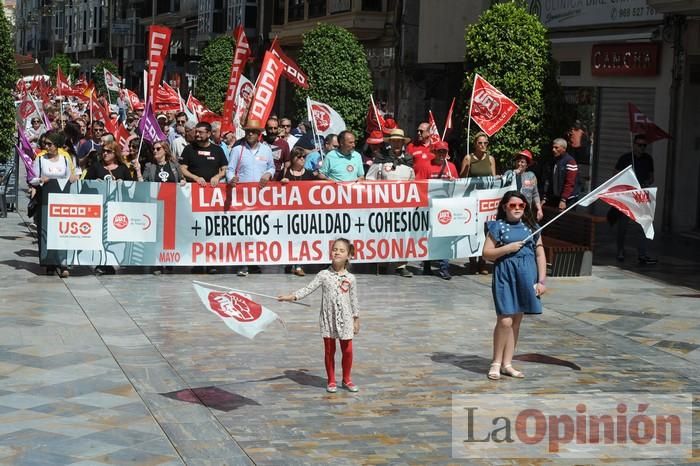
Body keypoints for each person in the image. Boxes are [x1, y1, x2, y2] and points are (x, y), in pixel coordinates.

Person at [278, 238, 360, 393]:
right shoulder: (323, 275)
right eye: (335, 249)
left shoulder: (351, 278)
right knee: (329, 350)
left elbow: (353, 299)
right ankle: (331, 380)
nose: (337, 252)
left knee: (347, 350)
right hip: (328, 319)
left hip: (346, 319)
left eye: (341, 250)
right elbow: (307, 289)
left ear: (348, 255)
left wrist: (356, 319)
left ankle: (347, 379)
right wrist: (291, 297)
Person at [482, 191, 547, 380]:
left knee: (517, 321)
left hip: (527, 278)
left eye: (521, 205)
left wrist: (542, 281)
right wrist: (506, 249)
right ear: (504, 207)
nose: (517, 208)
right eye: (512, 205)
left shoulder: (532, 227)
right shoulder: (497, 227)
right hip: (505, 276)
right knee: (505, 320)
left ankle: (507, 363)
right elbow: (486, 253)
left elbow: (540, 255)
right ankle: (495, 362)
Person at [227, 119, 275, 277]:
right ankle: (242, 263)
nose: (250, 134)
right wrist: (231, 178)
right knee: (243, 231)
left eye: (253, 132)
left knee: (257, 230)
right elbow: (230, 169)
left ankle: (254, 262)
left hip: (260, 197)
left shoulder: (266, 150)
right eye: (248, 131)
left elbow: (271, 167)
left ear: (259, 134)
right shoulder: (237, 150)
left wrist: (268, 174)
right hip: (243, 197)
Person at [29, 131, 79, 278]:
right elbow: (32, 178)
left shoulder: (65, 158)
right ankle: (49, 262)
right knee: (47, 232)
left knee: (62, 231)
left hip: (62, 201)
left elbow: (73, 173)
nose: (46, 146)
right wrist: (40, 180)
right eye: (45, 143)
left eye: (49, 144)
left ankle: (63, 262)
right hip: (45, 201)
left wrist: (73, 177)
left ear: (57, 145)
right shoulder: (40, 159)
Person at [614, 134, 657, 265]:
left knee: (644, 225)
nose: (642, 148)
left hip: (641, 196)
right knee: (623, 226)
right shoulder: (625, 158)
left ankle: (642, 254)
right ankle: (620, 250)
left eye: (644, 145)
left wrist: (647, 183)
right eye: (640, 145)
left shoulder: (648, 159)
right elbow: (615, 175)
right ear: (634, 145)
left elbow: (651, 176)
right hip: (627, 197)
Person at [419, 141, 457, 280]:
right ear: (434, 152)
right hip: (430, 207)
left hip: (445, 207)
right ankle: (427, 265)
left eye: (444, 152)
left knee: (444, 237)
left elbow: (457, 188)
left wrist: (453, 181)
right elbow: (419, 185)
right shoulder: (426, 166)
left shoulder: (451, 167)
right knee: (429, 236)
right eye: (439, 151)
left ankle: (444, 267)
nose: (442, 155)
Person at [277, 147, 317, 277]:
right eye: (298, 157)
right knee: (290, 239)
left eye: (303, 157)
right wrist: (281, 183)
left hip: (305, 212)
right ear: (293, 159)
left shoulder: (309, 174)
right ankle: (290, 263)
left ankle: (299, 265)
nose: (302, 160)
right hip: (288, 213)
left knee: (302, 239)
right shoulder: (285, 173)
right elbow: (274, 190)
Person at [462, 132, 497, 274]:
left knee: (486, 230)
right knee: (472, 230)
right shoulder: (468, 158)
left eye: (486, 143)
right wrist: (466, 168)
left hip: (486, 200)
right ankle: (472, 261)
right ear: (475, 144)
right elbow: (462, 179)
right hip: (472, 199)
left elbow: (494, 178)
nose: (483, 146)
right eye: (480, 143)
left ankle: (483, 261)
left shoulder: (491, 159)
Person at [180, 122, 229, 187]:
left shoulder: (218, 150)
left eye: (200, 132)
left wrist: (217, 177)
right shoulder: (188, 149)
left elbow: (225, 169)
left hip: (212, 188)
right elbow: (182, 168)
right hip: (193, 188)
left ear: (208, 134)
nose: (197, 134)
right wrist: (195, 178)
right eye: (196, 132)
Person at [502, 150, 544, 221]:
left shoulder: (531, 175)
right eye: (518, 161)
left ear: (527, 165)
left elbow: (535, 194)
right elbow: (503, 185)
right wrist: (513, 174)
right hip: (511, 212)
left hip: (526, 212)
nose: (519, 164)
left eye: (522, 162)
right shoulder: (509, 173)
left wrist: (539, 209)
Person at [546, 138, 579, 210]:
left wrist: (563, 199)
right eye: (553, 147)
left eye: (556, 147)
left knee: (566, 220)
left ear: (564, 148)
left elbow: (570, 183)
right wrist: (545, 198)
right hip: (556, 197)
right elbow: (551, 182)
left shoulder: (570, 161)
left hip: (569, 199)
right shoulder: (554, 161)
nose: (553, 150)